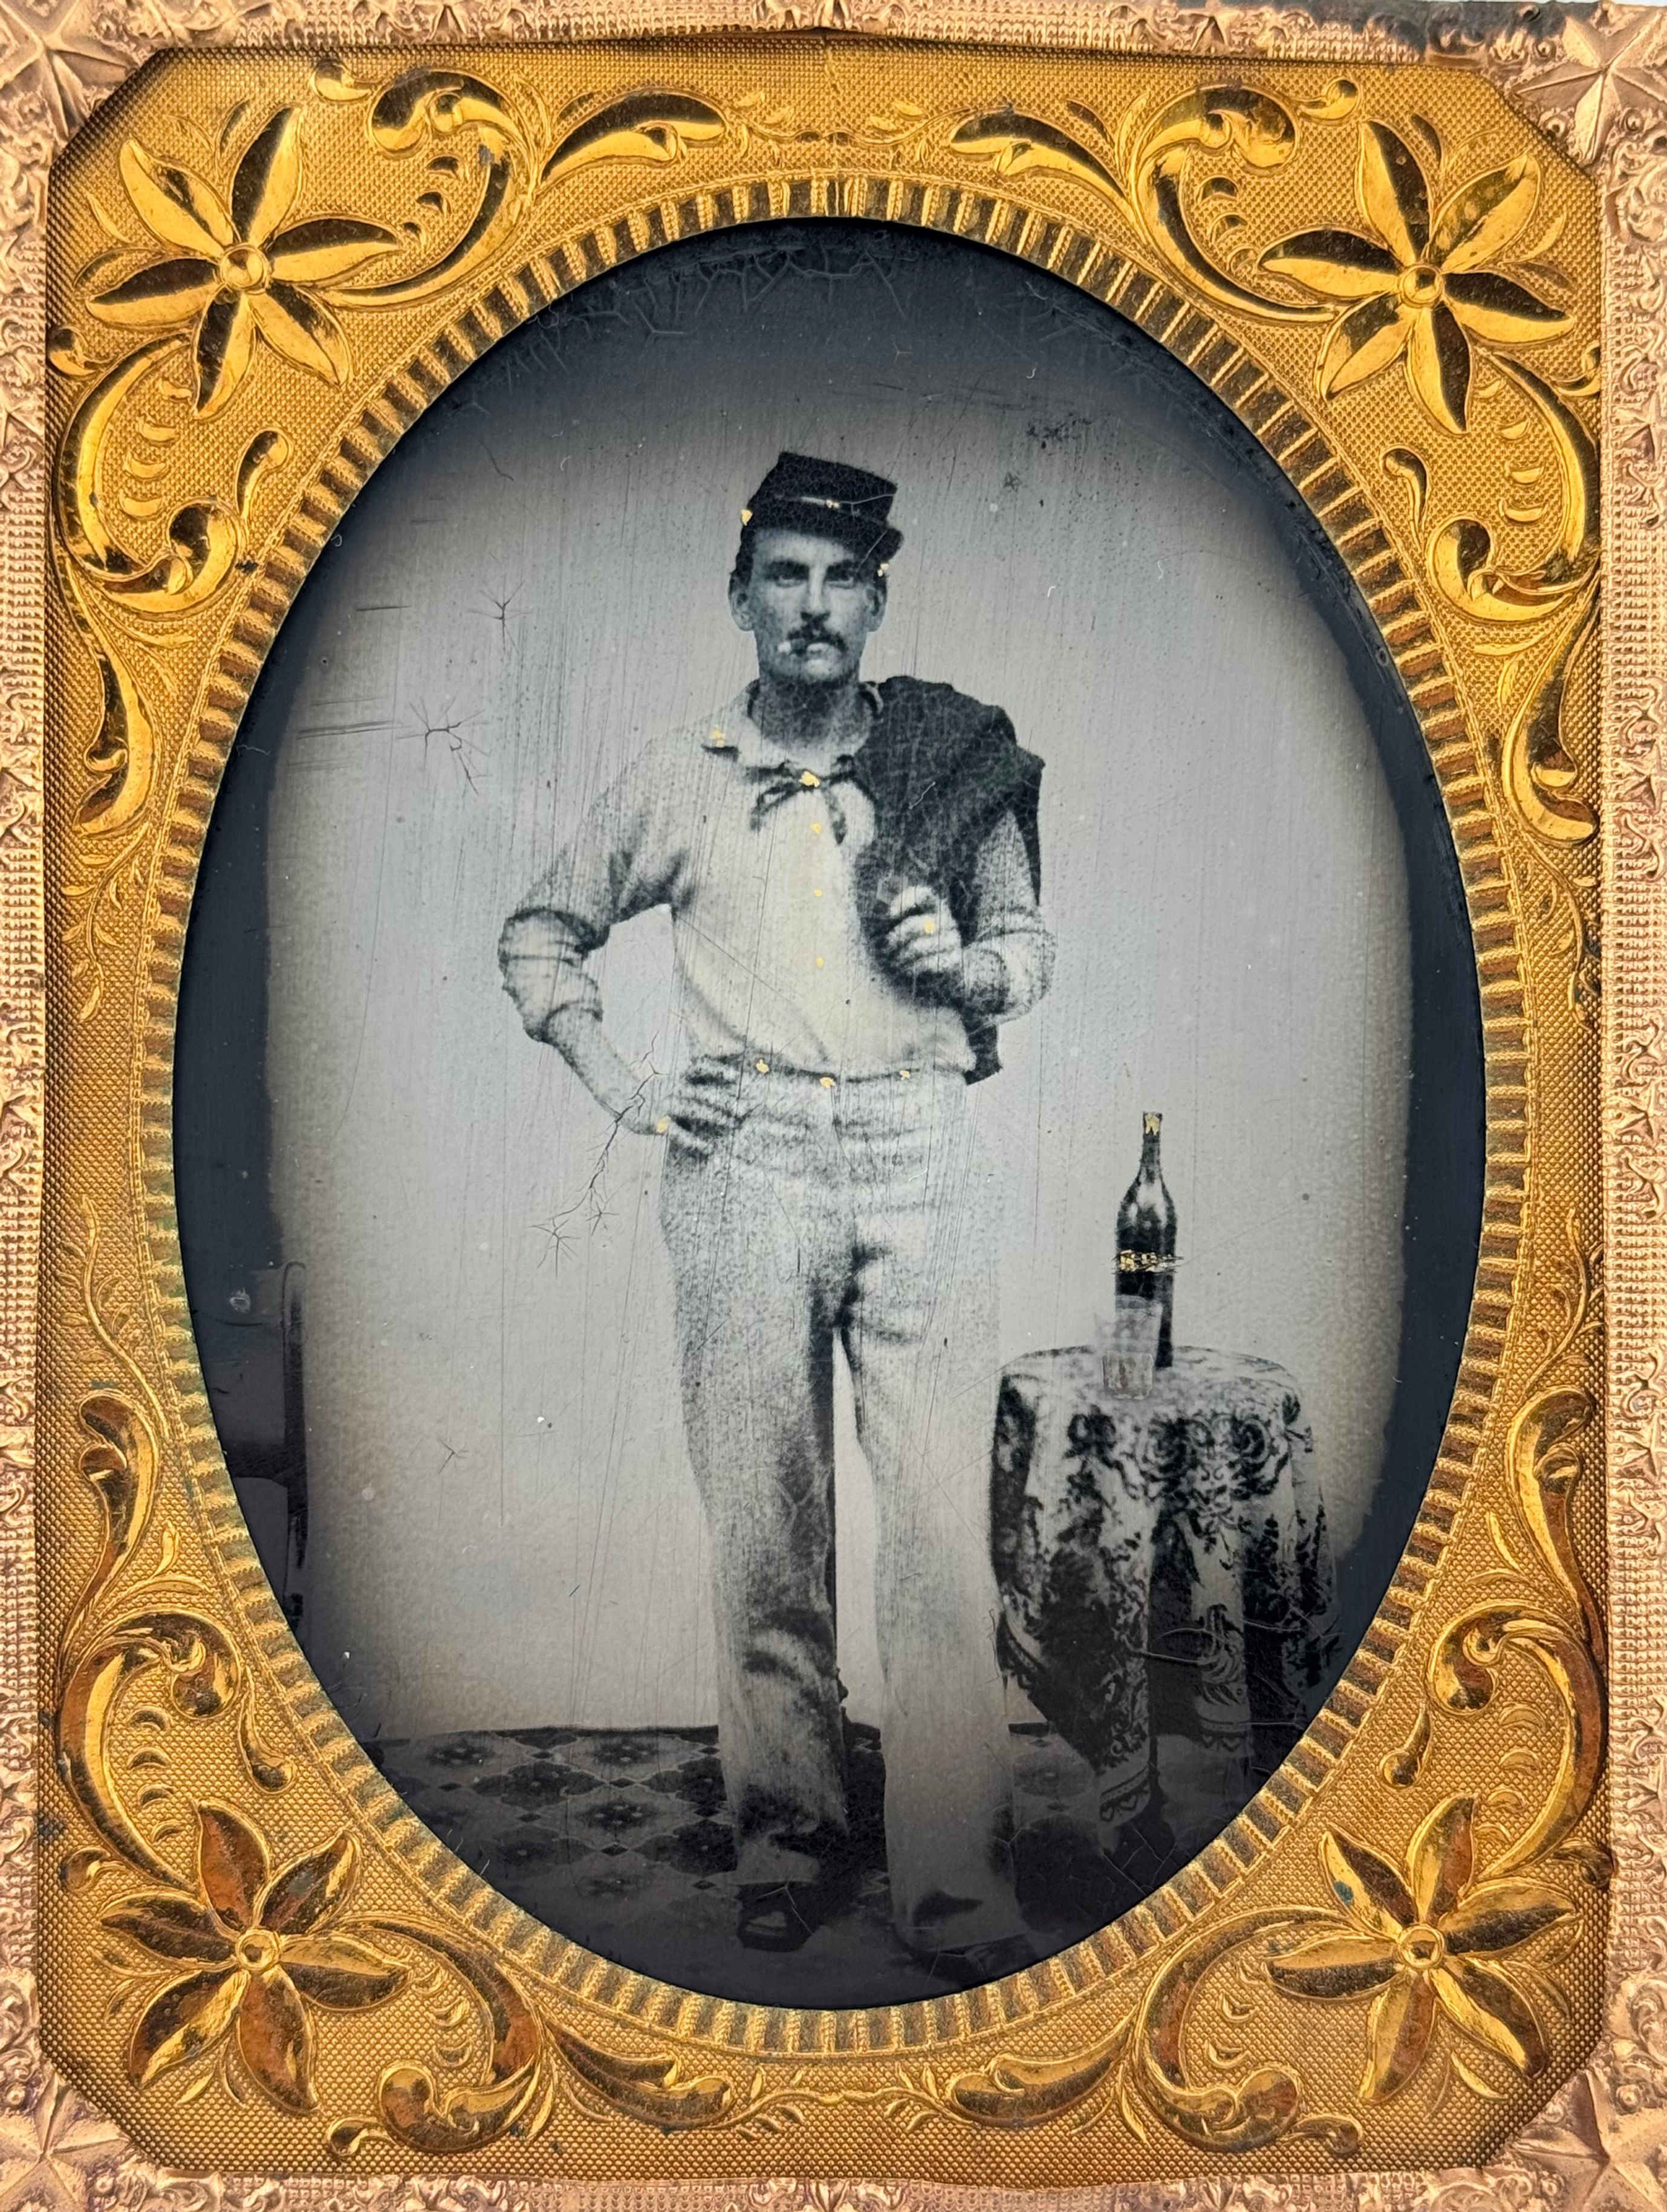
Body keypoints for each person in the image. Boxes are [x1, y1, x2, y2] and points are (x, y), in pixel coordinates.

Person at [500, 453, 1054, 1976]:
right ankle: (787, 1835)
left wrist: (965, 964)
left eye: (842, 579)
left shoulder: (952, 758)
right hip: (741, 1165)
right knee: (767, 1528)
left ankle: (952, 1883)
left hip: (916, 1149)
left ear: (877, 599)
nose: (814, 607)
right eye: (786, 577)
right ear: (743, 596)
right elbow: (543, 931)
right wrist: (623, 1086)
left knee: (941, 1532)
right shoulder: (680, 775)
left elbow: (1027, 950)